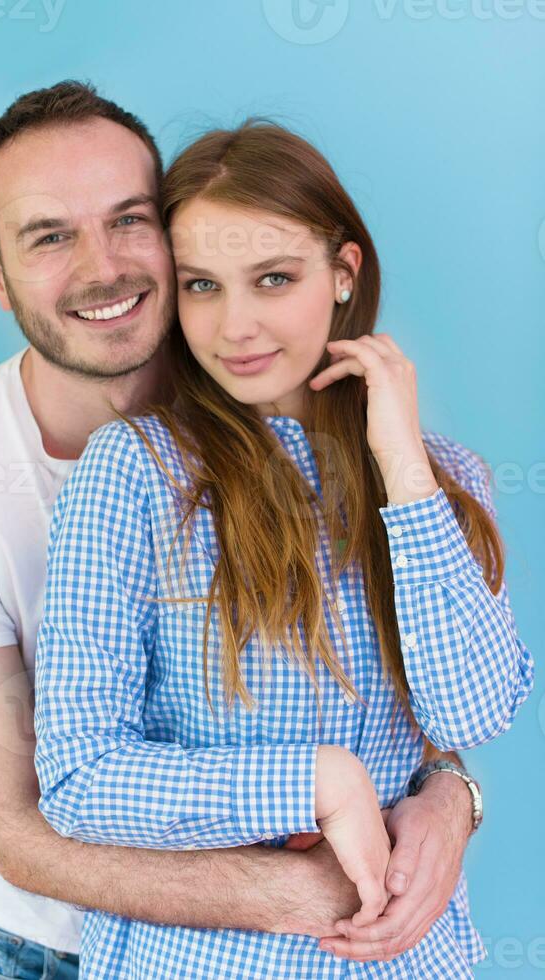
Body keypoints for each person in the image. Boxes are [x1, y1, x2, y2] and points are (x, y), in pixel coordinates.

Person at [0, 81, 498, 979]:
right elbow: (36, 820)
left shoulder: (269, 386)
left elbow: (441, 708)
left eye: (129, 220)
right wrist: (320, 852)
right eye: (50, 235)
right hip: (34, 936)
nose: (103, 268)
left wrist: (451, 799)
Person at [33, 119, 534, 979]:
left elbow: (471, 715)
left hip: (406, 959)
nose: (236, 326)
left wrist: (405, 470)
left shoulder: (445, 475)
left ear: (344, 274)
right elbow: (80, 777)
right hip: (201, 961)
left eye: (274, 278)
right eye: (201, 285)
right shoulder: (136, 474)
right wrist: (317, 779)